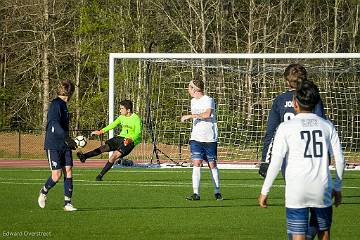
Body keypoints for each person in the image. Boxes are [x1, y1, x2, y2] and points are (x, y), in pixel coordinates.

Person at [258, 80, 345, 240]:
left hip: (296, 189)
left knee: (298, 236)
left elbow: (276, 162)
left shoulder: (285, 127)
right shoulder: (327, 126)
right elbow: (339, 159)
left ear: (295, 103)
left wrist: (265, 190)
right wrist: (338, 187)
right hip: (322, 187)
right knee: (323, 232)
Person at [259, 63, 326, 178]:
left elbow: (271, 132)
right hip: (312, 155)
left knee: (293, 193)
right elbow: (322, 127)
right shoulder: (314, 98)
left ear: (287, 81)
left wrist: (266, 160)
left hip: (290, 158)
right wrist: (327, 154)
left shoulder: (280, 100)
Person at [77, 100, 142, 181]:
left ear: (128, 110)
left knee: (113, 156)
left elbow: (138, 133)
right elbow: (112, 125)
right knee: (103, 148)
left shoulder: (136, 119)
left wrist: (130, 139)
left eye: (122, 108)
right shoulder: (121, 117)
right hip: (120, 138)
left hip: (130, 142)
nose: (120, 110)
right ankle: (84, 157)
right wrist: (101, 131)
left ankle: (100, 176)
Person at [38, 80, 78, 211]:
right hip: (54, 143)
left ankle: (67, 203)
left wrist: (69, 141)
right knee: (56, 175)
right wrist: (66, 137)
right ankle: (43, 192)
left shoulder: (64, 105)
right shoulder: (56, 104)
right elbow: (54, 124)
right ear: (70, 92)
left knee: (68, 170)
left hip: (64, 144)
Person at [181, 77, 222, 201]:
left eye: (189, 87)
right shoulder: (193, 101)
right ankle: (196, 193)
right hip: (196, 138)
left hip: (210, 138)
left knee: (212, 165)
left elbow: (207, 114)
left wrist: (190, 116)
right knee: (196, 163)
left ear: (195, 89)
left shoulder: (208, 100)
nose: (188, 90)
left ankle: (217, 192)